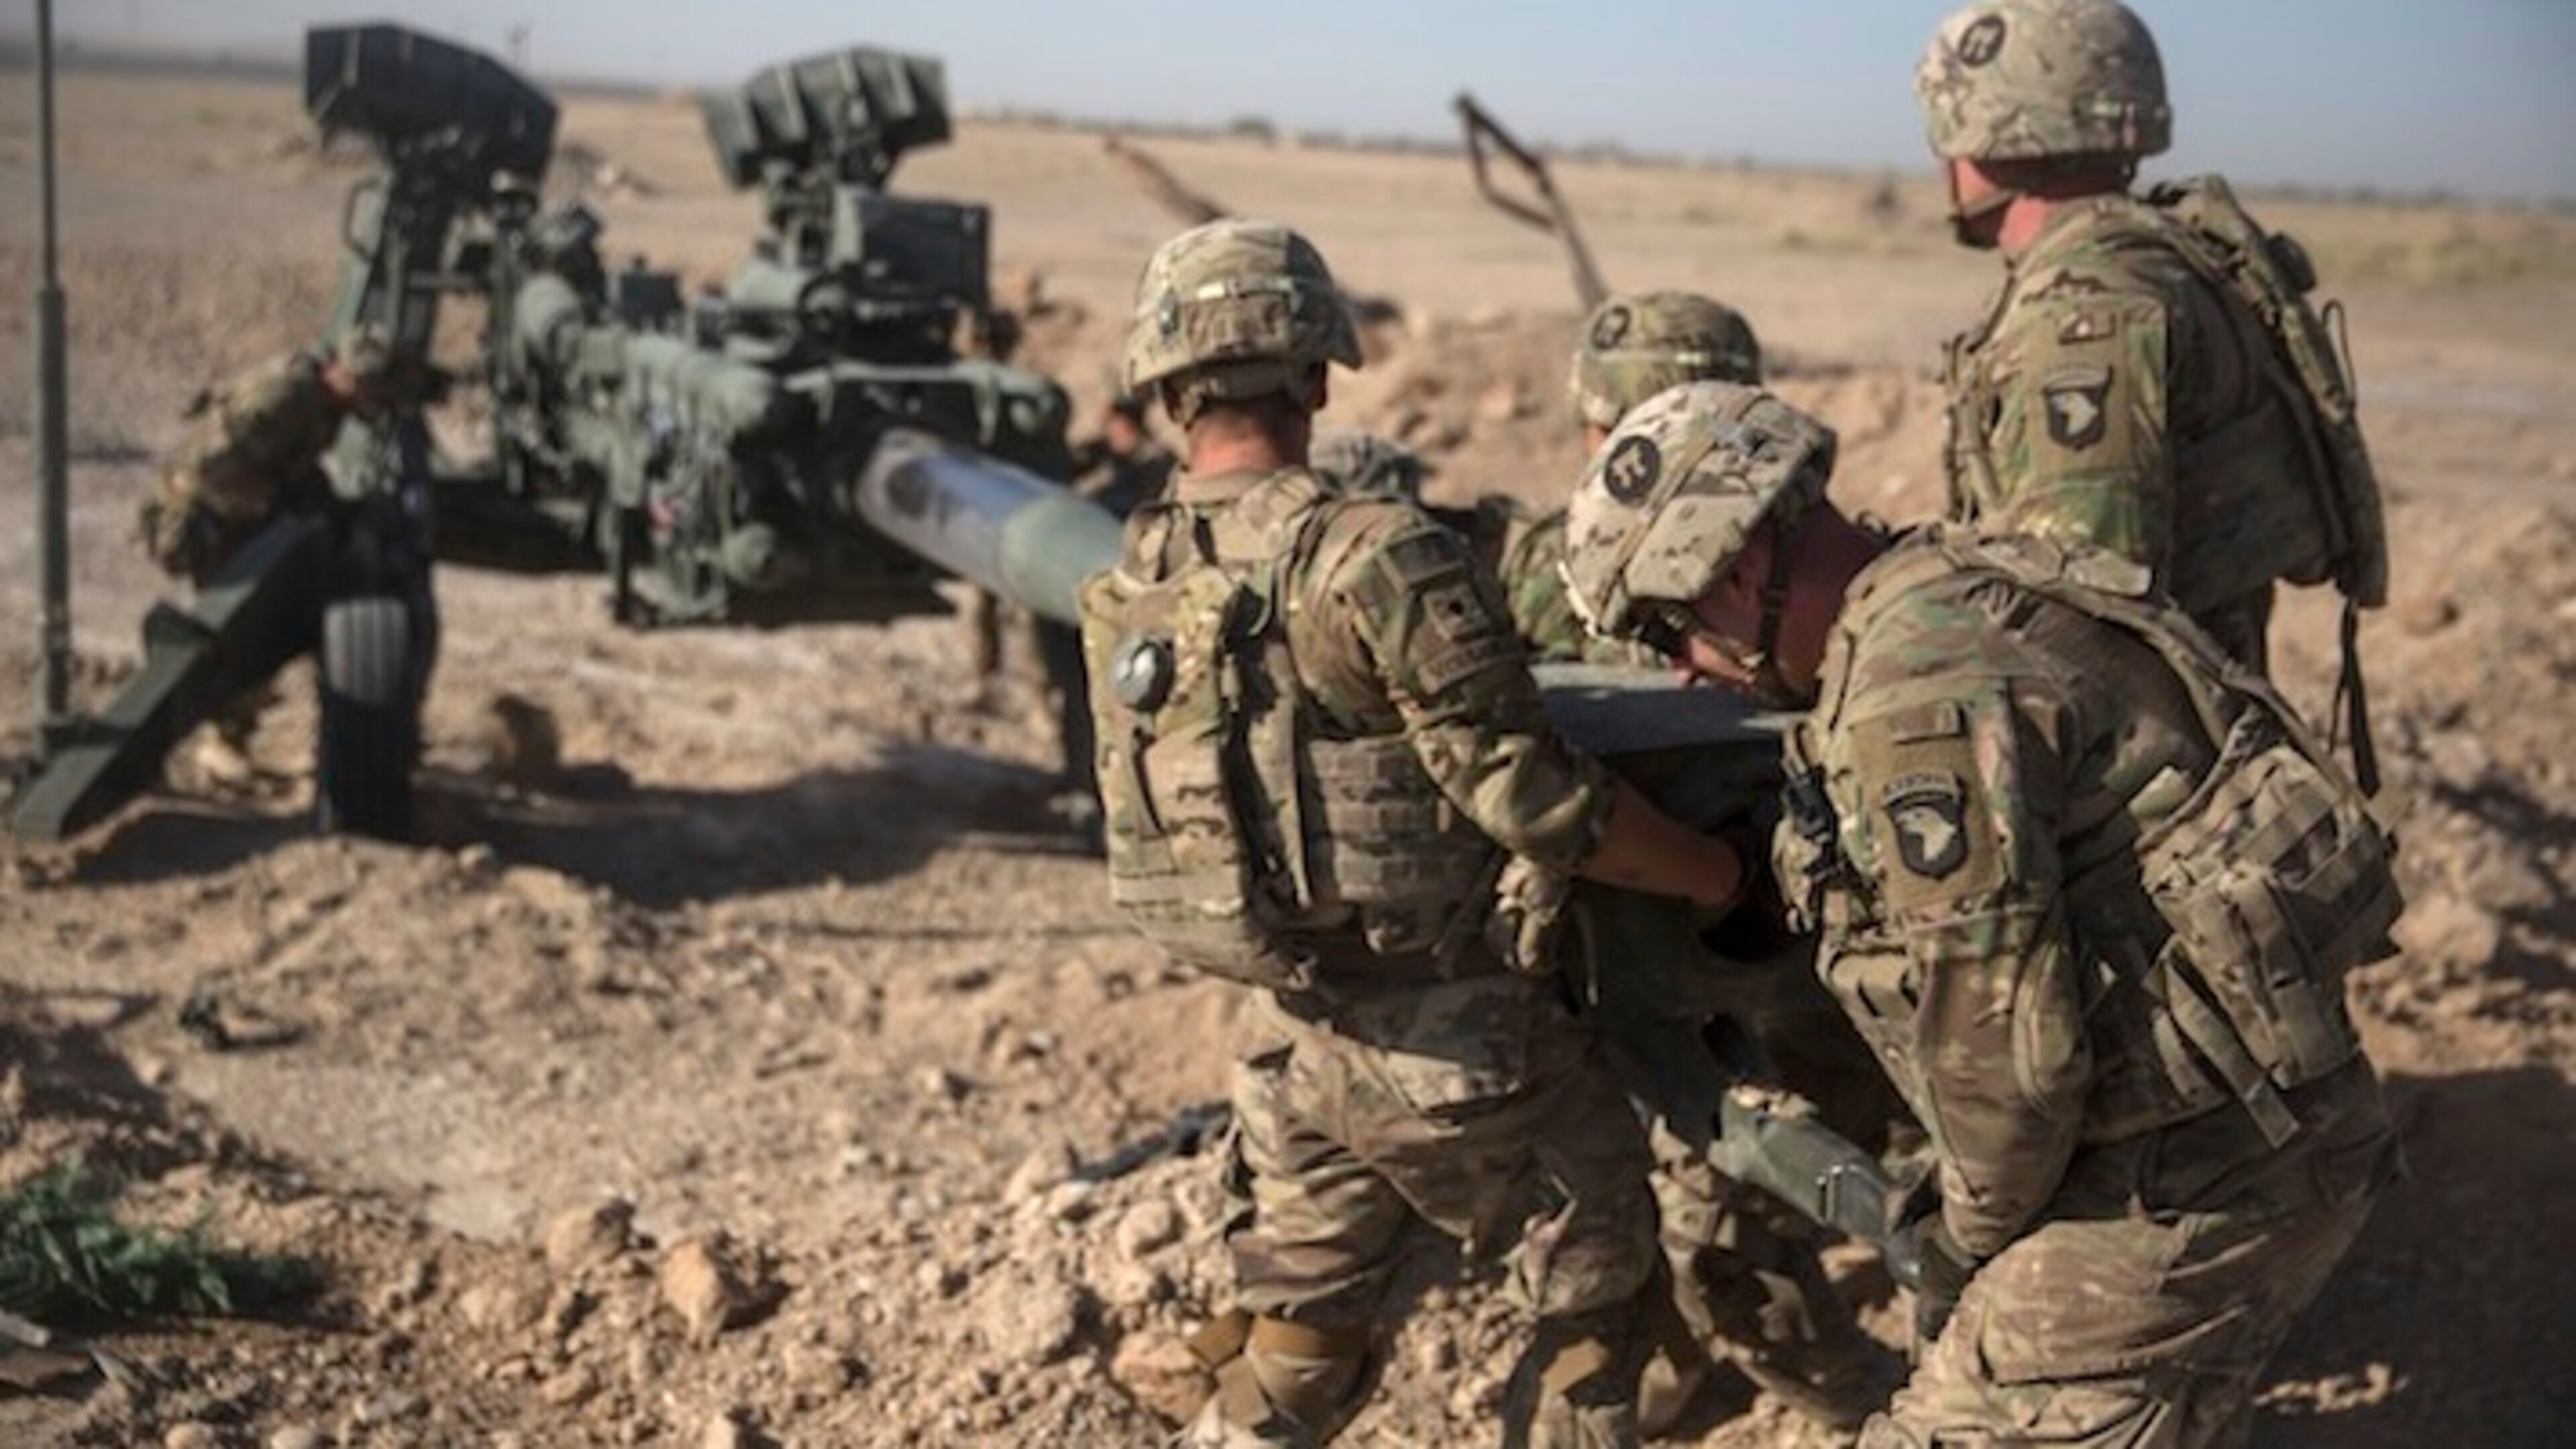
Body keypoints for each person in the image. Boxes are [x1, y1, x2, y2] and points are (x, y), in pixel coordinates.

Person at [1560, 380, 2402, 1448]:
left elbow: (2014, 1065)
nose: (1682, 669)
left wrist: (1960, 1246)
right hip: (2250, 1130)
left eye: (1670, 629)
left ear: (1730, 574)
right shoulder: (1968, 575)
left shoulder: (1912, 699)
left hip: (2179, 1188)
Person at [1079, 219, 1750, 1448]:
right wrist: (1714, 874)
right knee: (1602, 1314)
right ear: (1320, 373)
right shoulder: (1372, 556)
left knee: (1298, 1347)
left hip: (1293, 1047)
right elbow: (1536, 797)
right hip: (1463, 1054)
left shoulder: (1149, 564)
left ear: (1167, 387)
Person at [1920, 0, 2388, 682]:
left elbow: (2083, 610)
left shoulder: (2083, 310)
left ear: (1994, 132)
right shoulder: (2163, 259)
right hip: (2191, 709)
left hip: (2137, 748)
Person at [140, 327, 398, 781]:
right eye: (365, 386)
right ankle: (200, 742)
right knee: (240, 630)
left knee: (264, 625)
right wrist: (277, 504)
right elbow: (206, 471)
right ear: (342, 372)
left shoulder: (324, 404)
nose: (368, 400)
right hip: (205, 516)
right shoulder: (282, 395)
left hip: (239, 514)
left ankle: (225, 736)